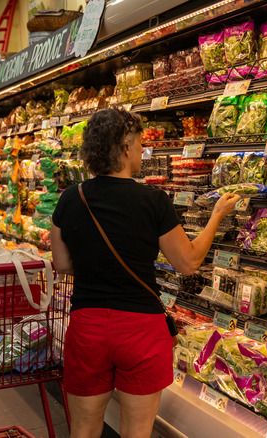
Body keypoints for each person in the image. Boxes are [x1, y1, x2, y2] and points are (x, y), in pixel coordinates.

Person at [50, 108, 240, 438]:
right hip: (141, 330)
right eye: (139, 144)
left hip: (89, 327)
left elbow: (62, 264)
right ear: (124, 147)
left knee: (82, 430)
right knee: (137, 432)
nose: (143, 151)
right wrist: (216, 217)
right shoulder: (154, 201)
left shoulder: (69, 198)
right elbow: (187, 262)